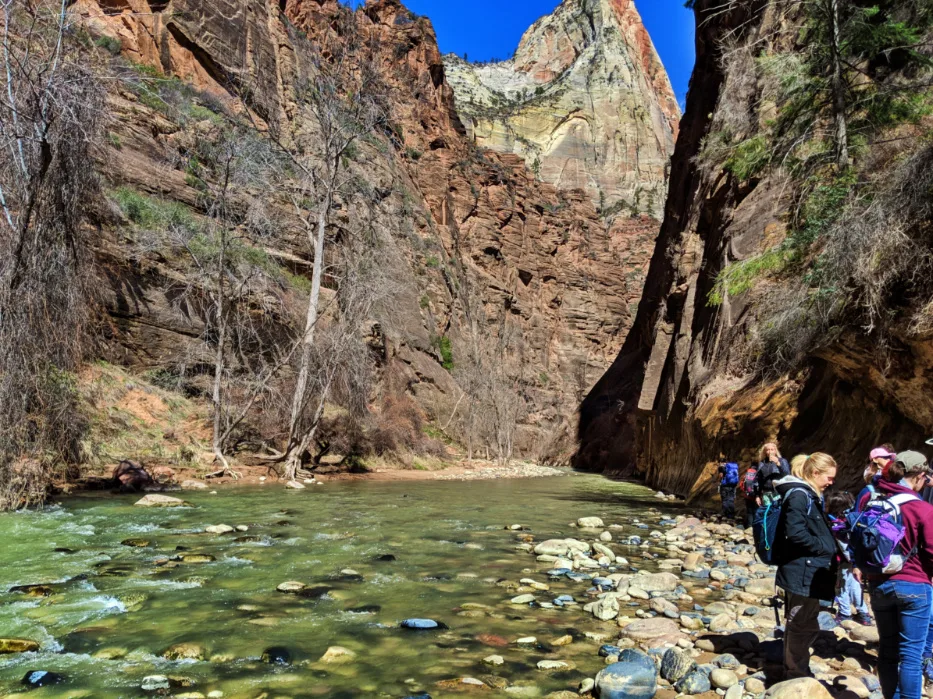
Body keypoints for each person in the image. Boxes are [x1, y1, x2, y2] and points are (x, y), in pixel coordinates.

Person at [866, 451, 933, 699]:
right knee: (911, 656)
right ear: (918, 476)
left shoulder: (873, 501)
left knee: (888, 651)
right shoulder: (922, 509)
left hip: (879, 583)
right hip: (915, 584)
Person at [773, 453, 839, 680]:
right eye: (829, 478)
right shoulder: (801, 496)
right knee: (801, 624)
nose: (831, 482)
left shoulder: (806, 494)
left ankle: (795, 668)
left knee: (802, 622)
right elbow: (796, 533)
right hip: (801, 571)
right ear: (815, 473)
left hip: (802, 569)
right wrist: (823, 547)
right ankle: (795, 673)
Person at [825, 491, 872, 625]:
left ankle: (844, 614)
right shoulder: (853, 520)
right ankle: (863, 613)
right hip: (857, 559)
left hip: (845, 561)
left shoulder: (837, 525)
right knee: (856, 585)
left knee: (841, 587)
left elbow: (844, 547)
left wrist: (852, 560)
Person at [855, 446, 896, 512]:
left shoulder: (893, 471)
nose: (888, 459)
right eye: (885, 457)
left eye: (890, 457)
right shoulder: (870, 473)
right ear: (875, 459)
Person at [755, 442, 791, 506]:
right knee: (767, 512)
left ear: (775, 451)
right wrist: (757, 495)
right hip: (766, 493)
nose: (770, 451)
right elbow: (758, 480)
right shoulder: (762, 463)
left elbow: (787, 475)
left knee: (777, 512)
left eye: (772, 449)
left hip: (778, 492)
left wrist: (778, 463)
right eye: (768, 450)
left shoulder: (782, 461)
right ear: (765, 452)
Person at [741, 462, 760, 528]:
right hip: (757, 496)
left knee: (749, 512)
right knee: (756, 511)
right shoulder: (759, 473)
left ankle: (749, 526)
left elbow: (742, 485)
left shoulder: (747, 474)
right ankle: (756, 527)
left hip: (748, 496)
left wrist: (745, 492)